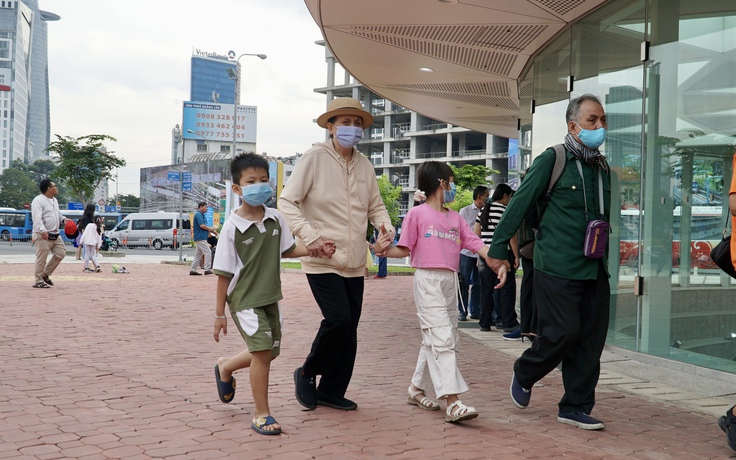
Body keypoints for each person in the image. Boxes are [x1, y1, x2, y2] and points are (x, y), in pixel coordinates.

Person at [485, 94, 611, 430]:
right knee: (563, 332)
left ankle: (575, 406)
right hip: (556, 264)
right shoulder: (553, 159)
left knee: (591, 339)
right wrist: (498, 249)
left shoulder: (602, 168)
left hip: (594, 267)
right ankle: (526, 371)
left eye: (602, 120)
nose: (600, 127)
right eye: (592, 121)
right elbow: (521, 203)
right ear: (573, 125)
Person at [279, 97, 395, 411]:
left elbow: (376, 207)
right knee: (338, 320)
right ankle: (306, 372)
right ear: (331, 126)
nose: (352, 128)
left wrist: (386, 229)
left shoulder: (365, 165)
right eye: (345, 122)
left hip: (356, 261)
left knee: (350, 328)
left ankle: (331, 389)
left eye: (357, 123)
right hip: (322, 258)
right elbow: (287, 202)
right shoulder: (314, 158)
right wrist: (310, 237)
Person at [212, 153, 335, 436]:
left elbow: (288, 250)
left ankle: (225, 367)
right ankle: (261, 414)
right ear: (237, 189)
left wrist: (317, 249)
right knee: (263, 352)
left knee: (268, 353)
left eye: (264, 180)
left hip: (271, 297)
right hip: (244, 301)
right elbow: (223, 275)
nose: (260, 185)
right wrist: (219, 314)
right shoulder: (232, 228)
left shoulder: (276, 218)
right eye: (251, 181)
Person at [373, 161, 506, 423]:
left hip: (450, 282)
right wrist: (381, 250)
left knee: (438, 339)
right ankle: (452, 401)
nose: (453, 186)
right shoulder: (417, 214)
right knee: (442, 338)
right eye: (451, 181)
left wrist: (498, 263)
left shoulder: (455, 217)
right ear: (440, 182)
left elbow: (476, 243)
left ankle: (415, 389)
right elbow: (405, 248)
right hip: (427, 280)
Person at [474, 184, 520, 337]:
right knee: (506, 289)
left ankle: (485, 323)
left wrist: (480, 255)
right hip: (502, 255)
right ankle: (508, 323)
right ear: (505, 196)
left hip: (485, 254)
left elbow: (476, 235)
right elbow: (512, 236)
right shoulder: (505, 211)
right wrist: (516, 256)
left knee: (486, 290)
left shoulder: (483, 210)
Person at [458, 185, 488, 320]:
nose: (488, 198)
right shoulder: (465, 211)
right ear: (480, 197)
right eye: (487, 195)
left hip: (481, 253)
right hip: (466, 253)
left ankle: (475, 311)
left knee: (478, 283)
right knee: (463, 282)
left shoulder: (488, 211)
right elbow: (460, 233)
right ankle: (462, 311)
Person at [31, 179, 66, 288]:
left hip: (55, 234)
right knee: (42, 258)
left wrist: (64, 220)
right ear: (48, 189)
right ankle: (38, 281)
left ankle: (45, 274)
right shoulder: (38, 200)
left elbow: (57, 215)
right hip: (42, 235)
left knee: (61, 253)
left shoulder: (54, 200)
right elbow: (37, 217)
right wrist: (43, 230)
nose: (57, 188)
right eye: (54, 186)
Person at [190, 202, 218, 276]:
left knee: (198, 255)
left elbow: (204, 226)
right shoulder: (199, 214)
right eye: (205, 207)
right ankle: (207, 269)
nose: (207, 209)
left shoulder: (201, 215)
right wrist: (211, 229)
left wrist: (212, 231)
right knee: (208, 252)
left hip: (200, 237)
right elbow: (202, 226)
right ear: (201, 207)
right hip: (200, 237)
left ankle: (193, 270)